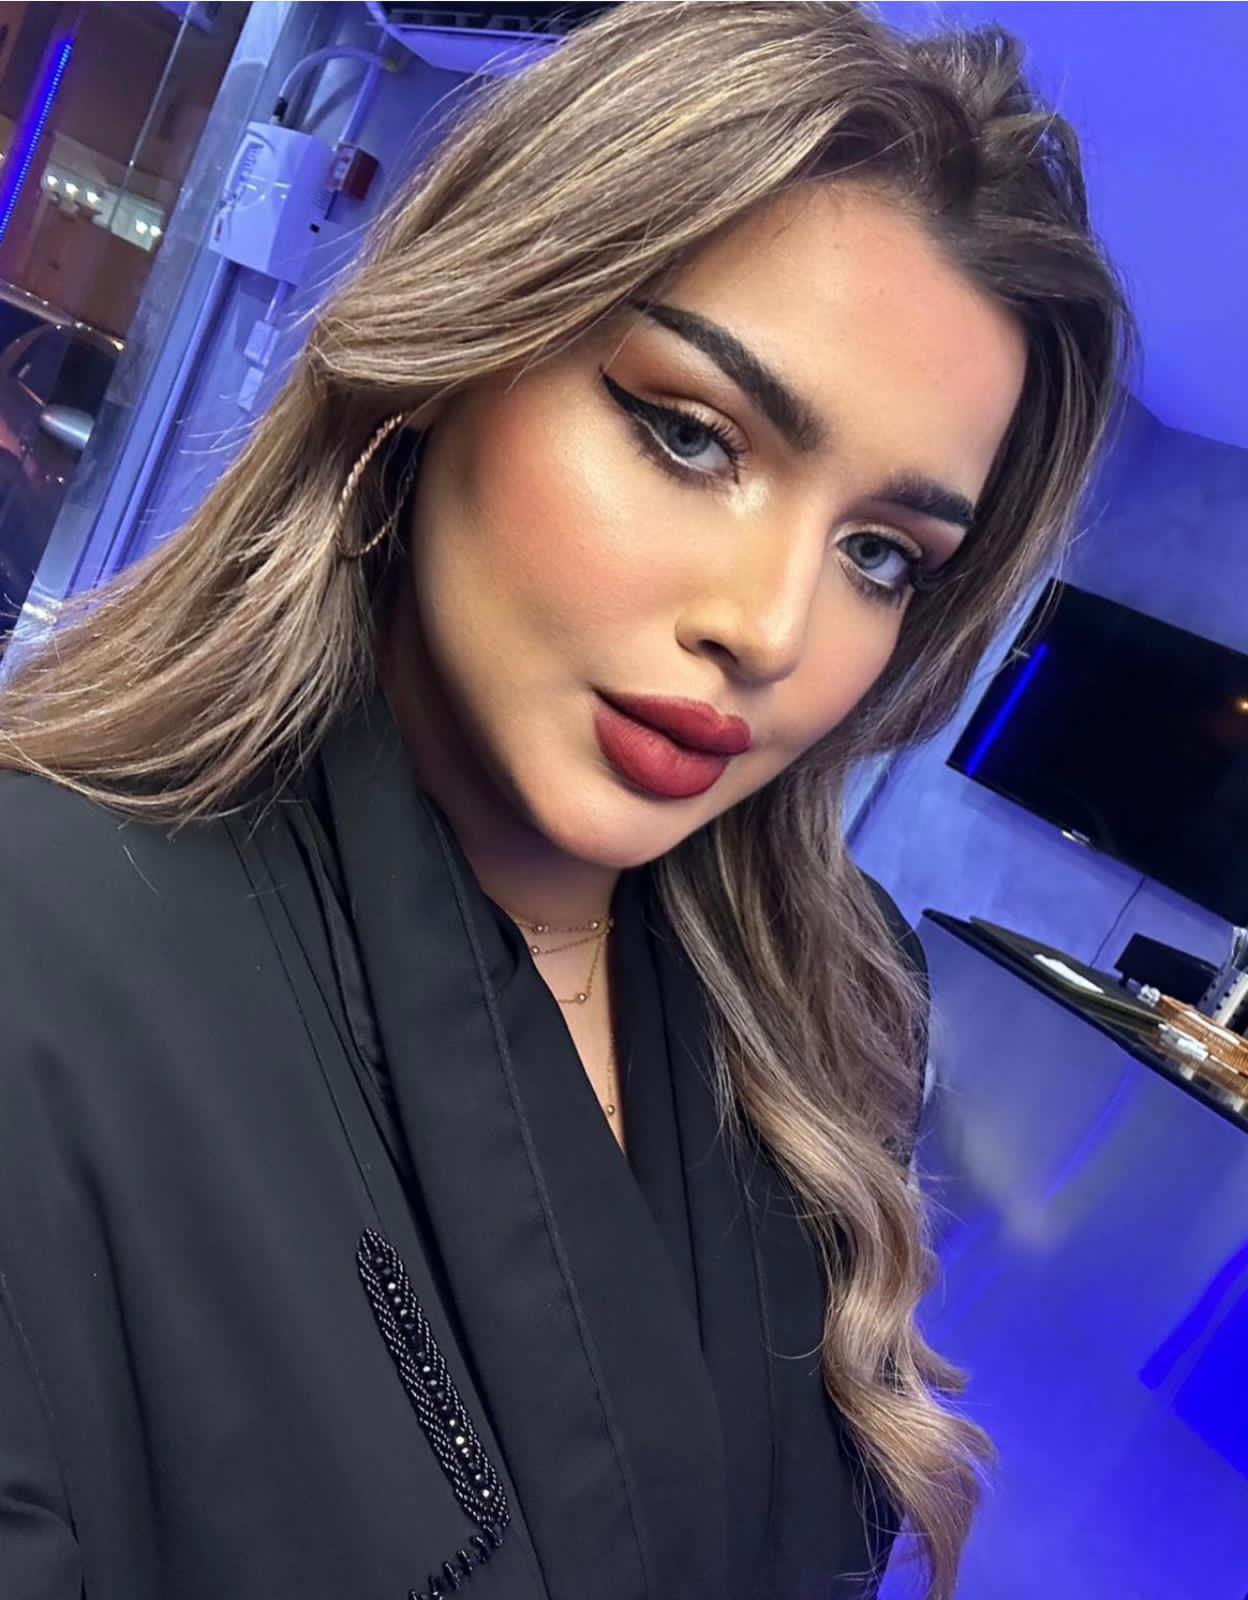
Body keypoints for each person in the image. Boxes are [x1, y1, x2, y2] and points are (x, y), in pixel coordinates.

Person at [0, 4, 1129, 1598]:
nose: (772, 628)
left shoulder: (841, 994)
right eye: (690, 435)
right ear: (451, 355)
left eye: (882, 555)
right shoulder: (43, 948)